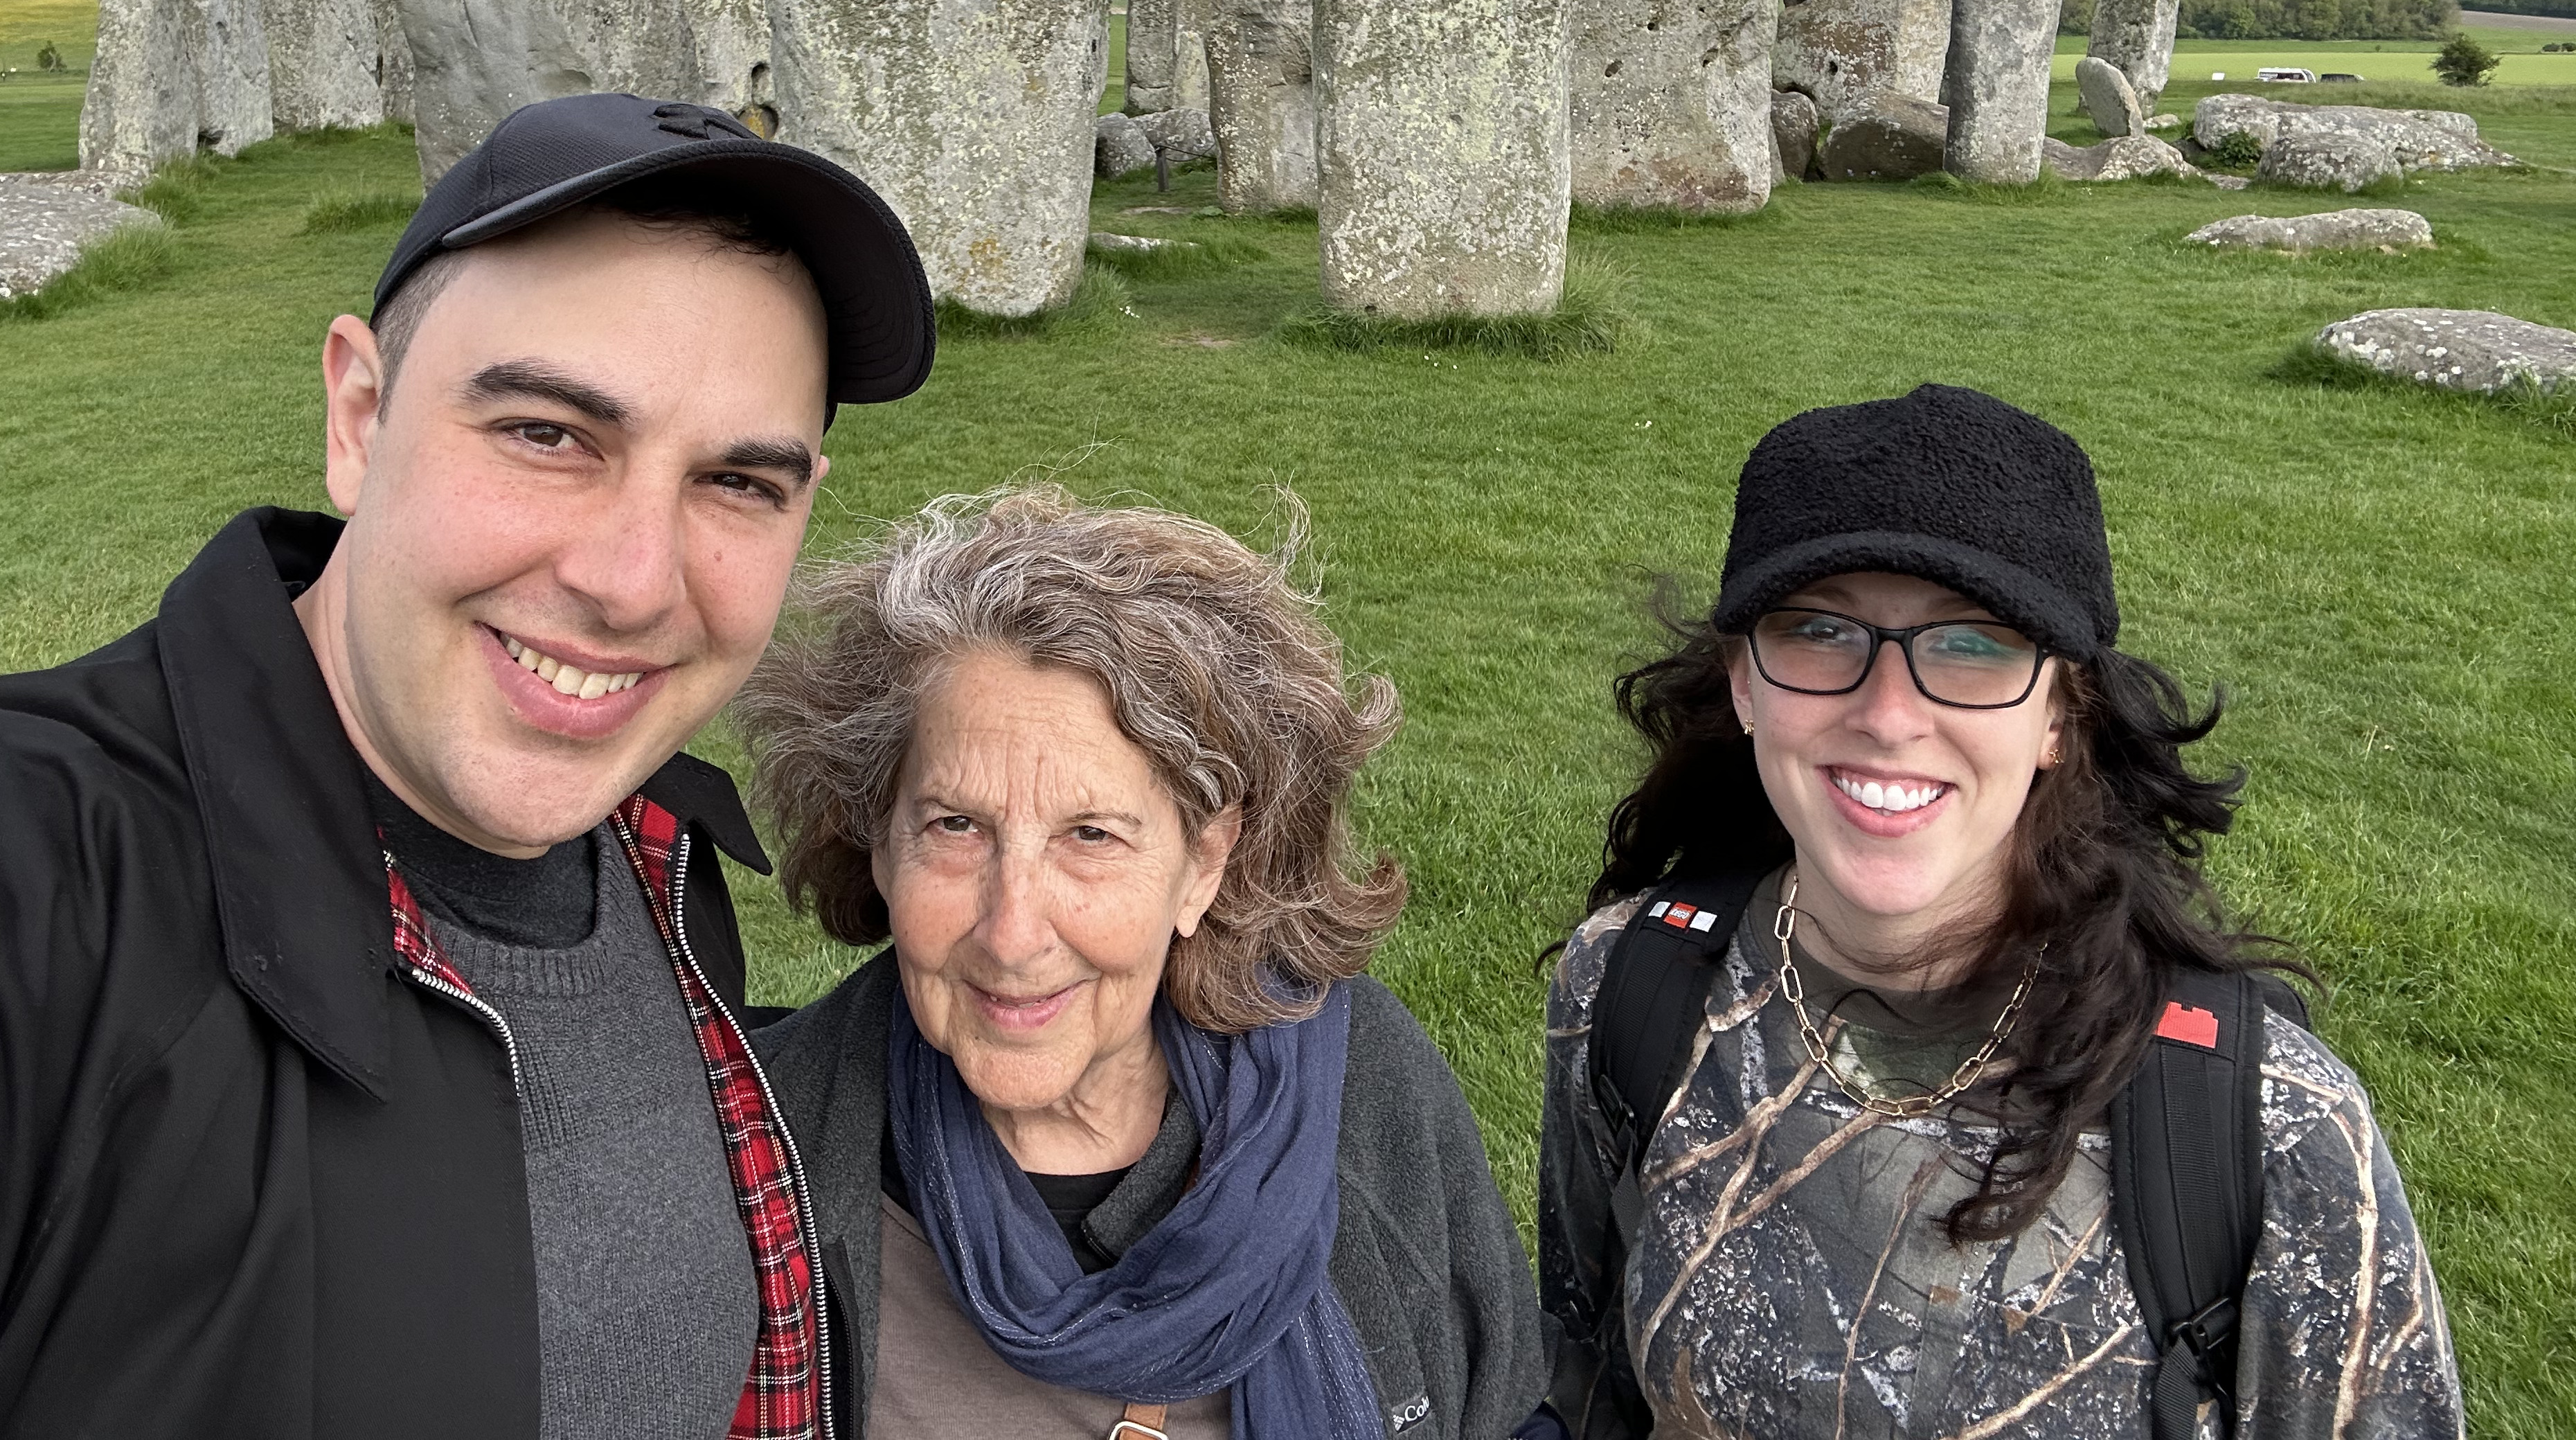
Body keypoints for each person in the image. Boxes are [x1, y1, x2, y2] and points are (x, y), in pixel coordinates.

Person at [0, 93, 934, 1439]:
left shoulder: (658, 851)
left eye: (739, 484)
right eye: (548, 434)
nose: (634, 583)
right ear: (358, 414)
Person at [1536, 383, 2463, 1440]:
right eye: (1821, 631)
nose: (1889, 715)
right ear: (1746, 683)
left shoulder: (2269, 1127)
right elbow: (1584, 1383)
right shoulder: (1629, 990)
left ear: (2062, 712)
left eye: (1974, 644)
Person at [734, 486, 1547, 1439]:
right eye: (955, 826)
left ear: (1204, 862)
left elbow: (1507, 1412)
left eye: (1091, 835)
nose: (1013, 932)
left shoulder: (1363, 1088)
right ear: (879, 842)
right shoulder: (756, 1162)